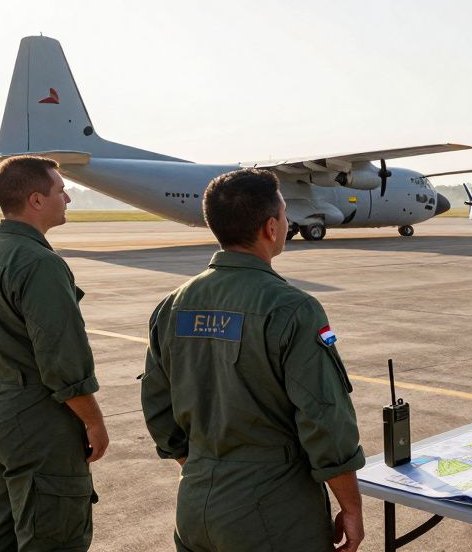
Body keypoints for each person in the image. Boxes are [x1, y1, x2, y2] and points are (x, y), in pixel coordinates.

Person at [141, 169, 364, 552]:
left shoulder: (173, 305)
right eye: (284, 215)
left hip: (196, 504)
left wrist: (208, 468)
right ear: (271, 227)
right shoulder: (292, 308)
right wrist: (351, 506)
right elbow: (325, 419)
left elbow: (157, 407)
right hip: (273, 513)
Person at [0, 155, 107, 551]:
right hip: (37, 421)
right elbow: (63, 361)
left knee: (0, 537)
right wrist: (93, 421)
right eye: (61, 190)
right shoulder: (40, 264)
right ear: (36, 200)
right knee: (53, 538)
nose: (68, 198)